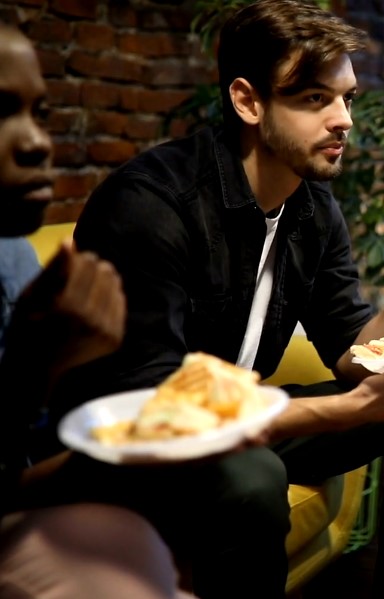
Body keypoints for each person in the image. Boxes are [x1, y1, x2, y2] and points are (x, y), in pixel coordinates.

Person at [28, 1, 384, 598]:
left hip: (234, 423)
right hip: (129, 443)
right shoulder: (150, 206)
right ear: (248, 101)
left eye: (347, 98)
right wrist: (351, 410)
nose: (344, 119)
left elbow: (352, 352)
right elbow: (153, 407)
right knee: (250, 473)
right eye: (314, 99)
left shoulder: (312, 209)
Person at [0, 23, 195, 599]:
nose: (36, 141)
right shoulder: (150, 202)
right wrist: (33, 369)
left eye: (39, 112)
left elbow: (15, 475)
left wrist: (133, 454)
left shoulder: (12, 254)